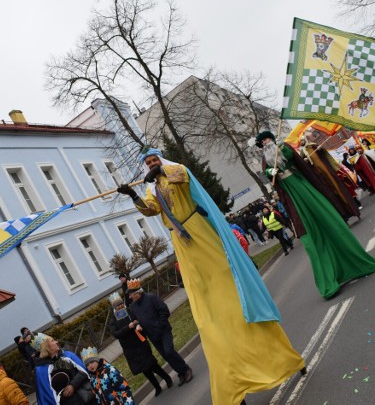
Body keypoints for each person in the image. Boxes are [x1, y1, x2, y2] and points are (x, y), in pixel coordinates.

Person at [117, 147, 306, 405]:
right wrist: (132, 195)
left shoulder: (174, 172)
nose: (151, 164)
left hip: (197, 229)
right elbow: (150, 209)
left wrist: (162, 170)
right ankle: (233, 382)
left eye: (154, 160)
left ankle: (281, 358)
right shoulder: (153, 190)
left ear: (160, 160)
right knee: (208, 313)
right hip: (181, 241)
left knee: (228, 289)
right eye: (148, 163)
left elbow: (183, 175)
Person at [255, 131, 375, 299]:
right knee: (311, 241)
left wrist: (282, 149)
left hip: (303, 187)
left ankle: (356, 264)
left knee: (331, 223)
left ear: (272, 139)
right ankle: (329, 281)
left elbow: (293, 159)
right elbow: (268, 176)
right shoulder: (265, 160)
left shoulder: (283, 147)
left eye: (267, 139)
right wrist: (270, 172)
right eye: (262, 142)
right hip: (292, 196)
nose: (266, 143)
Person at [124, 278, 193, 386]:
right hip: (152, 336)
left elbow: (164, 311)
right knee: (166, 356)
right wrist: (137, 325)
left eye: (131, 294)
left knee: (169, 351)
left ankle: (186, 369)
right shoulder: (133, 306)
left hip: (164, 331)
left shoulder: (151, 298)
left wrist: (159, 324)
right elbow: (135, 319)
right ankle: (181, 373)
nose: (129, 297)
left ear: (137, 292)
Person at [108, 292, 172, 397]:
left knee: (152, 364)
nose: (120, 306)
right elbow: (116, 334)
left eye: (120, 304)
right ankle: (156, 386)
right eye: (117, 305)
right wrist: (128, 327)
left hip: (140, 342)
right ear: (114, 307)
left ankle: (166, 378)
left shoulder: (129, 311)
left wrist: (137, 325)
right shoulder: (113, 320)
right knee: (144, 369)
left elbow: (138, 319)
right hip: (130, 349)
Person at [31, 333, 95, 405]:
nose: (56, 342)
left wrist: (73, 385)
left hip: (87, 395)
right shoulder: (41, 370)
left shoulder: (67, 355)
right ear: (46, 347)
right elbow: (47, 395)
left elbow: (84, 371)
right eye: (52, 341)